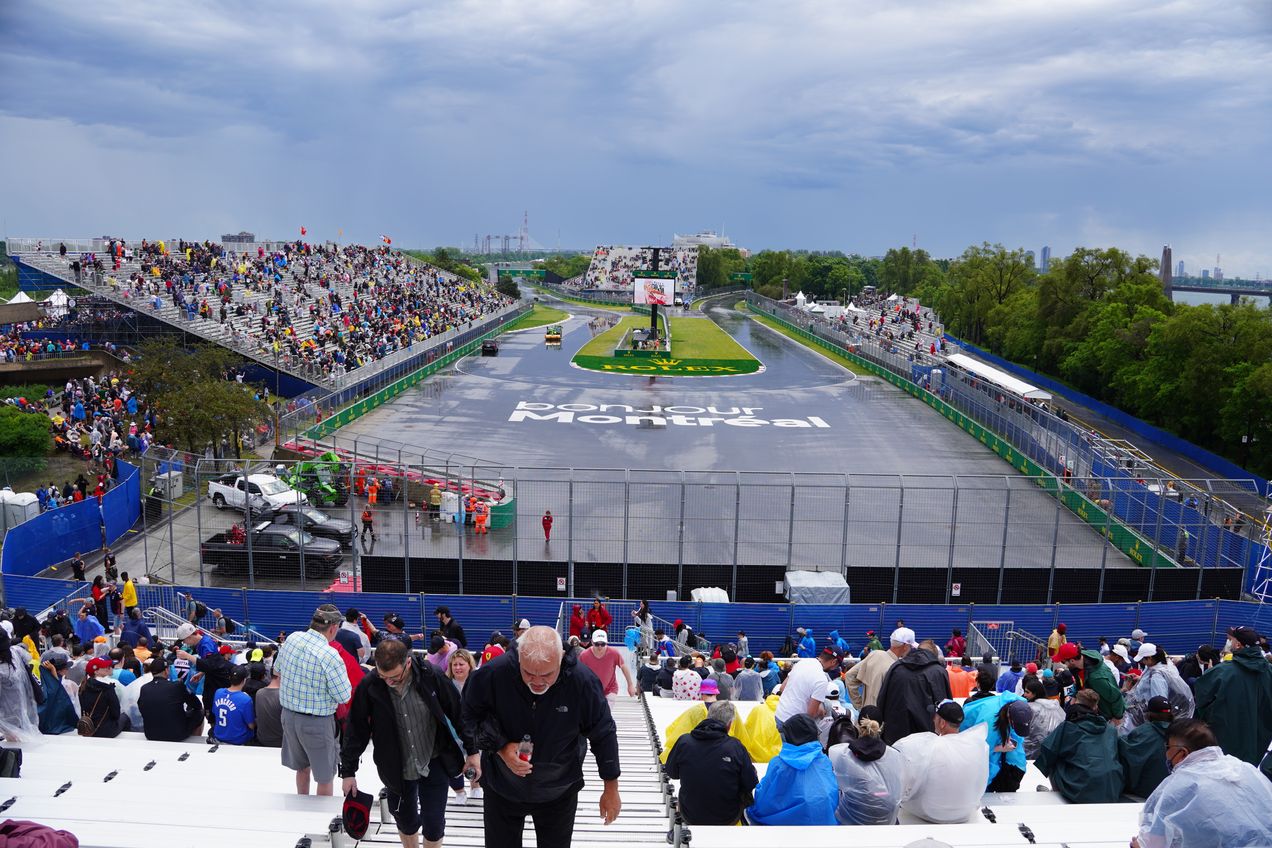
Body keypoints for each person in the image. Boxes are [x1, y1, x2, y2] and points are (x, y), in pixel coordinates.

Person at [461, 625, 621, 847]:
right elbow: (469, 716)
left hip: (558, 789)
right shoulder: (493, 674)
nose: (537, 681)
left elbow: (603, 732)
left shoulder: (581, 682)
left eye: (547, 674)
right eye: (528, 673)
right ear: (518, 659)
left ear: (561, 659)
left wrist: (610, 786)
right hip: (503, 787)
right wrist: (502, 747)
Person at [341, 638, 476, 848]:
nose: (389, 682)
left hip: (433, 759)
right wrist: (348, 772)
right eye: (383, 676)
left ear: (408, 663)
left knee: (434, 822)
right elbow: (356, 729)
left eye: (394, 677)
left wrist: (473, 752)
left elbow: (459, 714)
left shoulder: (431, 675)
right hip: (396, 766)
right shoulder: (371, 684)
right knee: (405, 820)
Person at [1133, 718, 1272, 848]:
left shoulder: (1178, 786)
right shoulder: (1245, 768)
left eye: (1167, 747)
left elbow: (1152, 842)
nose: (1166, 753)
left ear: (1182, 753)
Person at [276, 606, 354, 796]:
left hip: (288, 716)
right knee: (324, 776)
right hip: (316, 723)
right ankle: (320, 819)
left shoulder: (292, 639)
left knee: (301, 768)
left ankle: (303, 806)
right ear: (334, 628)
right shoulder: (329, 655)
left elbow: (277, 670)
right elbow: (343, 696)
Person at [893, 701, 989, 824]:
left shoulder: (926, 746)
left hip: (930, 812)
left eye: (935, 717)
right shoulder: (976, 745)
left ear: (942, 723)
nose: (933, 720)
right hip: (964, 812)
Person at [663, 700, 758, 826]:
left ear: (708, 716)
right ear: (729, 725)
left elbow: (672, 772)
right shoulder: (735, 746)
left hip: (690, 814)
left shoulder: (684, 742)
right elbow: (750, 782)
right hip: (728, 816)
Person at [1193, 625, 1272, 765]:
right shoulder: (1268, 672)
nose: (1228, 643)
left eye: (1230, 639)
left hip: (1224, 745)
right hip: (1258, 745)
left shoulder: (1222, 672)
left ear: (1238, 644)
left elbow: (1201, 702)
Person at [1035, 689, 1126, 803]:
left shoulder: (1068, 727)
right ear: (1095, 707)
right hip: (1112, 785)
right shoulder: (1111, 730)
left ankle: (1056, 791)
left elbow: (1047, 750)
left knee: (1054, 752)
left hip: (1081, 787)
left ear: (1075, 703)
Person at [746, 713, 837, 826]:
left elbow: (764, 800)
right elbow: (832, 794)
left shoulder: (779, 763)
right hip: (824, 822)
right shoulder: (824, 760)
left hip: (788, 827)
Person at [828, 712, 906, 826]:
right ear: (880, 728)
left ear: (858, 728)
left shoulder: (842, 754)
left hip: (850, 820)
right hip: (887, 819)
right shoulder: (895, 755)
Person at [876, 638, 952, 745]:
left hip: (895, 736)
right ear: (933, 655)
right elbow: (946, 708)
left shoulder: (896, 667)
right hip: (926, 739)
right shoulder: (938, 672)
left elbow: (882, 699)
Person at [1122, 643, 1194, 732]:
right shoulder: (1161, 667)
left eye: (1143, 659)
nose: (1142, 662)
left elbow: (1159, 700)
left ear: (1150, 658)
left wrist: (1153, 719)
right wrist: (1140, 679)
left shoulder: (1157, 676)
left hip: (1152, 715)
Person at [137, 657, 205, 742]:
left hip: (151, 734)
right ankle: (194, 742)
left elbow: (141, 708)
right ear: (166, 670)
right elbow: (197, 705)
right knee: (200, 712)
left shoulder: (144, 688)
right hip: (177, 734)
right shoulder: (177, 686)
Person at [843, 627, 912, 710]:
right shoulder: (896, 667)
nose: (911, 649)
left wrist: (860, 705)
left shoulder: (874, 655)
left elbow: (850, 675)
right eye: (910, 646)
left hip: (865, 717)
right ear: (905, 646)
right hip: (883, 720)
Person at [1120, 696, 1175, 798]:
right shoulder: (1182, 732)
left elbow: (1128, 756)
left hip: (1146, 791)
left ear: (1149, 714)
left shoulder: (1142, 732)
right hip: (1172, 790)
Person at [1056, 642, 1125, 722]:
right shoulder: (1080, 661)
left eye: (1063, 662)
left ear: (1072, 661)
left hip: (1106, 715)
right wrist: (1075, 696)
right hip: (1092, 705)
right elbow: (1080, 681)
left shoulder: (1096, 678)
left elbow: (1116, 696)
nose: (1063, 665)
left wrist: (1117, 717)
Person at [774, 647, 841, 728]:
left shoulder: (802, 662)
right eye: (837, 666)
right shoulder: (822, 680)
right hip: (794, 725)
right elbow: (810, 714)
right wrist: (820, 712)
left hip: (779, 715)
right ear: (834, 662)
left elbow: (782, 688)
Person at [0, 628, 40, 742]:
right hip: (25, 701)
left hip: (7, 708)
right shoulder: (16, 651)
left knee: (13, 738)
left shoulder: (2, 669)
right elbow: (29, 658)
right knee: (23, 733)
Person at [578, 630, 636, 701]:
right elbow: (578, 672)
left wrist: (630, 685)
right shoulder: (584, 655)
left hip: (610, 690)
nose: (600, 647)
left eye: (602, 644)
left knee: (606, 711)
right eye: (597, 644)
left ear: (606, 643)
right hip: (591, 690)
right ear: (592, 642)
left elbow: (623, 667)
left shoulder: (613, 653)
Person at [79, 656, 128, 737]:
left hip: (87, 728)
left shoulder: (83, 686)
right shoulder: (108, 688)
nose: (108, 668)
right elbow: (116, 714)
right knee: (125, 718)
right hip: (105, 731)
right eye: (105, 667)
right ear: (96, 672)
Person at [1021, 677, 1065, 759]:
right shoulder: (1056, 706)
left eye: (1027, 692)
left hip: (1032, 751)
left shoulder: (1030, 708)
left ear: (1035, 693)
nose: (1024, 694)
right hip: (1054, 749)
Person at [213, 665, 256, 745]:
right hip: (238, 740)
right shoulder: (245, 699)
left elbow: (215, 713)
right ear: (244, 680)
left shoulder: (218, 692)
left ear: (230, 678)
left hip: (219, 736)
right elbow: (251, 726)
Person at [255, 665, 284, 748]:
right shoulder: (282, 696)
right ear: (279, 676)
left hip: (262, 739)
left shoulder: (259, 693)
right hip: (280, 742)